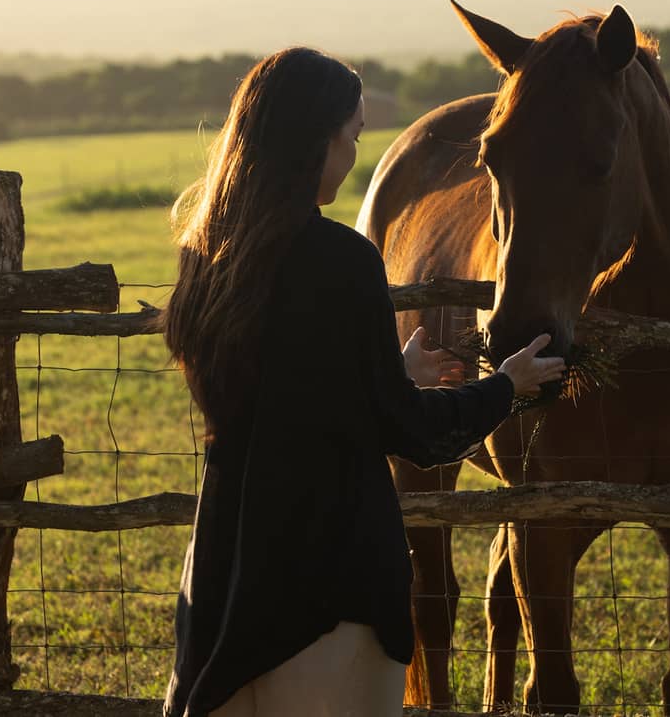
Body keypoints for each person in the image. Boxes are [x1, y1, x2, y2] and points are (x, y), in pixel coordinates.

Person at [161, 47, 564, 717]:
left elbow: (285, 391)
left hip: (227, 568)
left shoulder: (207, 259)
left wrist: (386, 369)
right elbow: (410, 430)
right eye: (350, 137)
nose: (352, 157)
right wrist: (507, 386)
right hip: (332, 581)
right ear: (315, 140)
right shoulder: (344, 260)